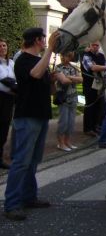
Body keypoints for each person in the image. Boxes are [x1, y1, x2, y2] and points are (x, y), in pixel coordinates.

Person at [3, 27, 59, 221]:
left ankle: (28, 197)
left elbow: (49, 90)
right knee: (21, 161)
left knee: (33, 160)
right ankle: (11, 204)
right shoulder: (23, 60)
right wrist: (50, 49)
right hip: (27, 115)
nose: (45, 41)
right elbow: (34, 75)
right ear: (37, 40)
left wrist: (52, 80)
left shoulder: (39, 61)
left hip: (41, 114)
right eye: (44, 38)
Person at [55, 50, 82, 151]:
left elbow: (81, 80)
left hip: (73, 97)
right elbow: (64, 81)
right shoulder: (58, 67)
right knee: (63, 122)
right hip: (63, 98)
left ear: (70, 57)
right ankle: (61, 143)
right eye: (62, 55)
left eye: (65, 56)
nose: (63, 57)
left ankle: (67, 141)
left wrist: (69, 77)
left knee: (71, 122)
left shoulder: (74, 67)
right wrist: (74, 78)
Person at [81, 42, 106, 136]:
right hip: (89, 85)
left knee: (99, 106)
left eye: (97, 45)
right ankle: (88, 128)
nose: (95, 47)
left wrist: (101, 67)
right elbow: (93, 68)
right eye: (93, 45)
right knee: (90, 106)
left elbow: (100, 67)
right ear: (90, 46)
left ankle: (96, 126)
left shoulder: (102, 56)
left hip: (100, 85)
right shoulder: (86, 55)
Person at [0, 39, 17, 169]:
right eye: (0, 46)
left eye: (4, 45)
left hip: (9, 98)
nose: (2, 48)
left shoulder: (11, 63)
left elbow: (15, 79)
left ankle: (0, 157)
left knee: (5, 127)